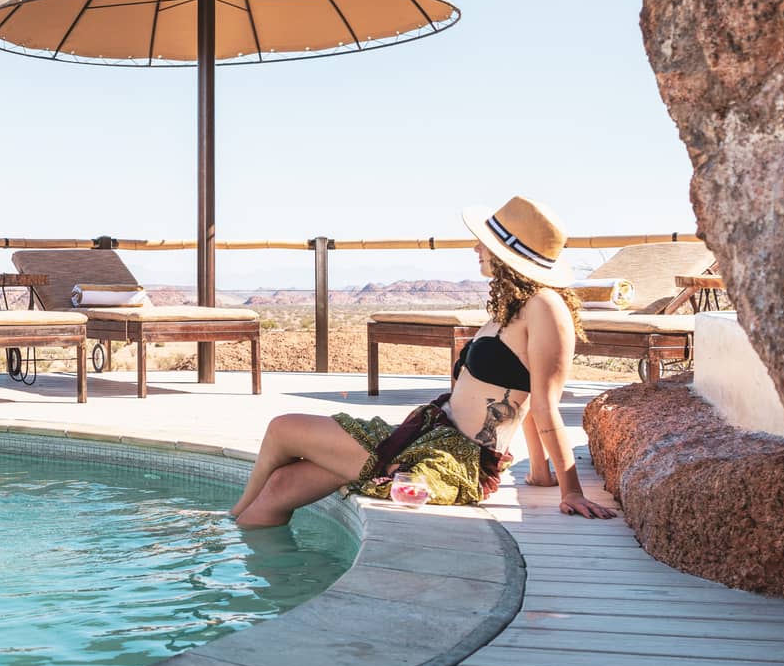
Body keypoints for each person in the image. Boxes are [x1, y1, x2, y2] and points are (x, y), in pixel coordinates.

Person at [230, 197, 618, 526]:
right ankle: (253, 560)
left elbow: (546, 401)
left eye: (483, 243)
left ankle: (231, 519)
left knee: (282, 429)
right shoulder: (513, 306)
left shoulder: (546, 307)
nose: (475, 249)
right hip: (427, 434)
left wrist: (570, 491)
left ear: (508, 254)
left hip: (454, 458)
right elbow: (525, 398)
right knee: (280, 489)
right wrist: (539, 474)